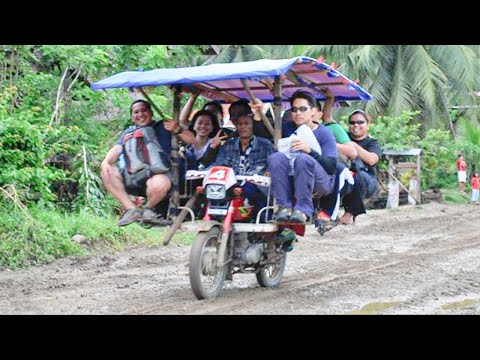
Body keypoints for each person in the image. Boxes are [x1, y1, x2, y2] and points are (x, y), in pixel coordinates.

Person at [101, 99, 194, 226]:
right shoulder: (128, 132)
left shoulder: (163, 126)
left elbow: (191, 140)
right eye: (136, 112)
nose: (140, 114)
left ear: (151, 113)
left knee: (160, 182)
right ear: (132, 117)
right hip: (133, 178)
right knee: (107, 171)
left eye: (144, 110)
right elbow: (117, 149)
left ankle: (147, 209)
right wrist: (106, 162)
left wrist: (177, 129)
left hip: (157, 178)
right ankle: (132, 209)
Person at [267, 90, 338, 223]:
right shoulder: (287, 128)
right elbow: (265, 133)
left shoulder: (324, 132)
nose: (298, 113)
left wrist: (309, 150)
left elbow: (331, 167)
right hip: (293, 177)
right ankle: (284, 207)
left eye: (303, 109)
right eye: (294, 110)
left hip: (321, 182)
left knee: (303, 159)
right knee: (275, 158)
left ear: (313, 111)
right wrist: (259, 114)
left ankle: (304, 209)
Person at [209, 101, 275, 221]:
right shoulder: (228, 145)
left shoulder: (265, 144)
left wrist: (269, 170)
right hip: (233, 182)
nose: (243, 126)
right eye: (239, 124)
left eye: (246, 123)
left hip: (256, 184)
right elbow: (219, 165)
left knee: (255, 191)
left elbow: (274, 162)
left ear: (252, 125)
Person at [340, 109, 382, 225]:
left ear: (368, 125)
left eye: (360, 122)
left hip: (368, 182)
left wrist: (352, 146)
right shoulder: (343, 138)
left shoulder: (372, 143)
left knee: (357, 170)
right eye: (352, 123)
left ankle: (350, 212)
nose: (356, 125)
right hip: (347, 178)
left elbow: (372, 159)